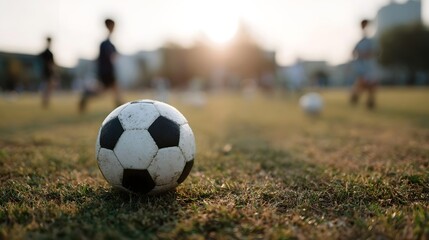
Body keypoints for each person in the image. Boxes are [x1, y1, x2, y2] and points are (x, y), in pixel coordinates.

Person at [79, 18, 122, 112]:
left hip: (106, 70)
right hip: (106, 71)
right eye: (113, 26)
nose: (114, 28)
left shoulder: (109, 43)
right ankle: (120, 106)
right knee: (110, 89)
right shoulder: (105, 43)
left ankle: (87, 96)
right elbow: (109, 56)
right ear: (109, 26)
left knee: (107, 90)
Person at [350, 19, 378, 109]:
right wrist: (359, 55)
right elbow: (353, 52)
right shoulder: (360, 42)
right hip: (361, 67)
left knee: (371, 85)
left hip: (369, 67)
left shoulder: (372, 41)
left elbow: (374, 53)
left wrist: (367, 55)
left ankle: (370, 101)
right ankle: (356, 96)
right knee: (362, 83)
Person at [39, 37, 57, 108]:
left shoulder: (45, 53)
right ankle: (45, 100)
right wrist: (54, 72)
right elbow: (51, 65)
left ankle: (45, 100)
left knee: (47, 87)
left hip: (45, 72)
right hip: (48, 73)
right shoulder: (48, 53)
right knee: (47, 88)